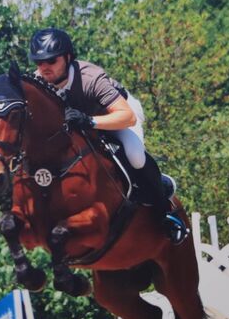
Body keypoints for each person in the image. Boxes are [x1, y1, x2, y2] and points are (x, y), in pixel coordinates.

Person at [29, 27, 187, 244]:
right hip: (80, 123)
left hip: (116, 114)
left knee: (134, 156)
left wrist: (90, 121)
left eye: (51, 61)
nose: (44, 68)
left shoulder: (90, 77)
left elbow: (127, 117)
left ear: (67, 57)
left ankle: (165, 211)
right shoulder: (38, 83)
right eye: (39, 62)